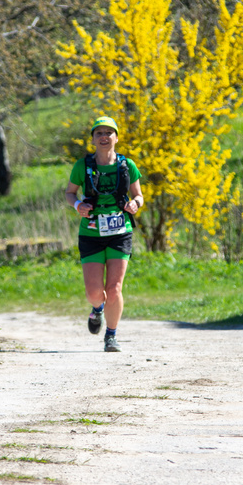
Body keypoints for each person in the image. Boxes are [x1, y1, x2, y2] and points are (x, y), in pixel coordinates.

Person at [65, 116, 143, 352]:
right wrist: (78, 205)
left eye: (109, 132)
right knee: (94, 293)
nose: (104, 137)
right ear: (93, 139)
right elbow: (69, 193)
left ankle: (111, 336)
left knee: (115, 288)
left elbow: (138, 195)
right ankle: (97, 309)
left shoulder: (127, 165)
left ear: (116, 138)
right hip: (91, 232)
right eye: (99, 133)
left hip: (120, 231)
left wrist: (135, 205)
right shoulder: (82, 166)